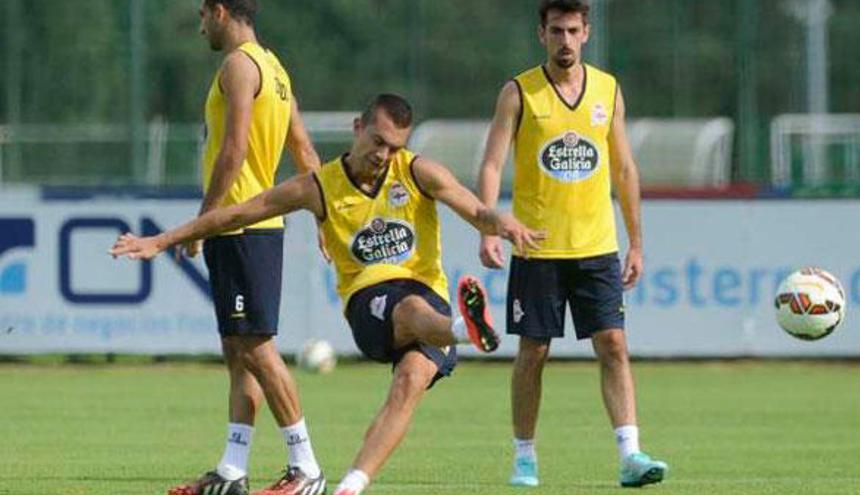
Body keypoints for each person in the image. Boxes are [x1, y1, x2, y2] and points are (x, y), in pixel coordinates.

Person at [111, 94, 544, 495]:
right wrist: (163, 240)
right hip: (370, 303)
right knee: (411, 309)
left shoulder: (416, 171)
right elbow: (239, 212)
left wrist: (501, 224)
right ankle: (463, 330)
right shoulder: (319, 186)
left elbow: (474, 208)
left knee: (409, 383)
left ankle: (349, 486)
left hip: (430, 298)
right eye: (378, 142)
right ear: (357, 128)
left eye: (395, 147)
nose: (384, 155)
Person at [476, 0, 668, 488]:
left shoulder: (608, 89)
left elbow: (624, 169)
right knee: (534, 352)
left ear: (587, 33)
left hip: (597, 246)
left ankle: (630, 454)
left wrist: (636, 242)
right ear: (542, 34)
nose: (565, 40)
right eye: (556, 30)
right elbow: (493, 163)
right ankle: (524, 456)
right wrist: (488, 226)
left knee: (613, 345)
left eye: (573, 31)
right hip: (538, 247)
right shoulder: (519, 92)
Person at [164, 1, 327, 494]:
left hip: (240, 225)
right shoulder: (274, 67)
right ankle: (232, 470)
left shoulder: (238, 65)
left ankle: (307, 468)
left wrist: (202, 221)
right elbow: (303, 147)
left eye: (201, 14)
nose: (199, 25)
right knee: (238, 350)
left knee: (256, 347)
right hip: (255, 227)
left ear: (219, 10)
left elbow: (233, 149)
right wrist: (324, 215)